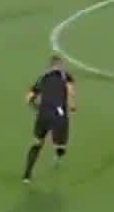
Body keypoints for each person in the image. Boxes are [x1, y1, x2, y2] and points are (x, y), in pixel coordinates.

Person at [23, 55, 75, 183]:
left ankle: (26, 175)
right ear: (60, 66)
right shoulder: (66, 76)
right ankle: (58, 156)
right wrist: (72, 106)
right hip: (59, 115)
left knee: (37, 143)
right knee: (61, 144)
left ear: (50, 66)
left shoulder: (43, 77)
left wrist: (36, 108)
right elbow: (70, 91)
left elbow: (28, 97)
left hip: (43, 114)